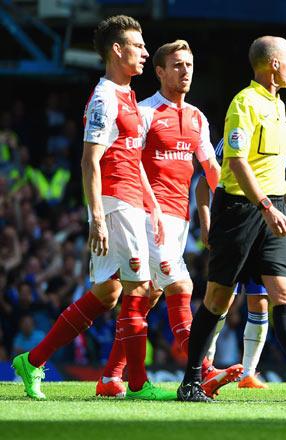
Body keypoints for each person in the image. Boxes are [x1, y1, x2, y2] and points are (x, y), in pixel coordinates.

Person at [177, 36, 286, 403]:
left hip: (272, 209)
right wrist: (266, 208)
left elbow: (283, 174)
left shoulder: (279, 105)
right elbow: (237, 162)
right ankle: (191, 380)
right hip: (241, 210)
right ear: (273, 64)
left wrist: (281, 212)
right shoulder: (244, 103)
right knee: (218, 300)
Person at [12, 15, 175, 400]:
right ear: (117, 51)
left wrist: (151, 202)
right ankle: (135, 385)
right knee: (142, 287)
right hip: (116, 203)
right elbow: (90, 161)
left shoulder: (129, 95)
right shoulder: (103, 98)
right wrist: (98, 217)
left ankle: (32, 361)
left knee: (108, 293)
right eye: (137, 45)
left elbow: (132, 156)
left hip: (134, 201)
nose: (145, 52)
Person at [94, 40, 244, 399]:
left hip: (179, 221)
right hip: (145, 214)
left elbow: (210, 168)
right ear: (159, 72)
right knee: (181, 287)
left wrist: (232, 204)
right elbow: (129, 162)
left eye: (189, 64)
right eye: (177, 65)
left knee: (146, 297)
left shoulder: (197, 117)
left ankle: (110, 377)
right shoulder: (144, 112)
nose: (185, 71)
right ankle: (203, 371)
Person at [195, 139, 286, 391]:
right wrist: (205, 222)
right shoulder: (232, 140)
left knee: (260, 300)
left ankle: (248, 374)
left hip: (266, 230)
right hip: (235, 225)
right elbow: (204, 181)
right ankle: (205, 368)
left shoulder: (283, 142)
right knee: (221, 300)